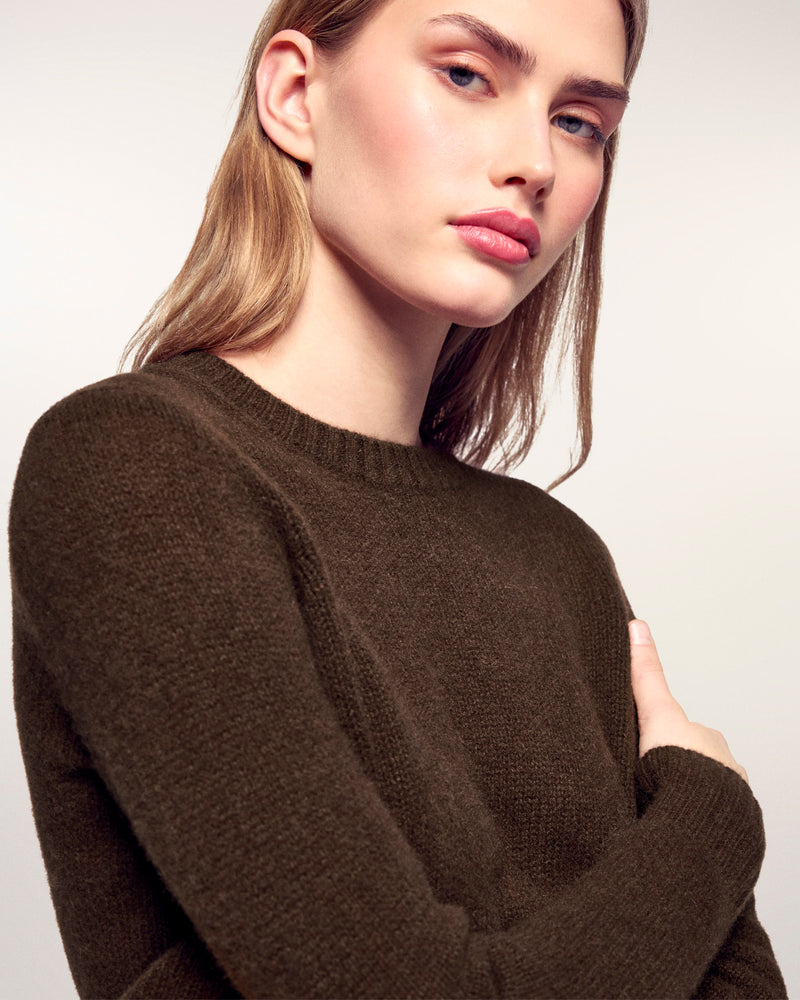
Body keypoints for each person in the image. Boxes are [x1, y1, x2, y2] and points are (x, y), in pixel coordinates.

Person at [9, 0, 787, 997]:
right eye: (466, 74)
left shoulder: (556, 555)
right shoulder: (135, 466)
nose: (535, 163)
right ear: (297, 95)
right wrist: (713, 814)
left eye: (580, 121)